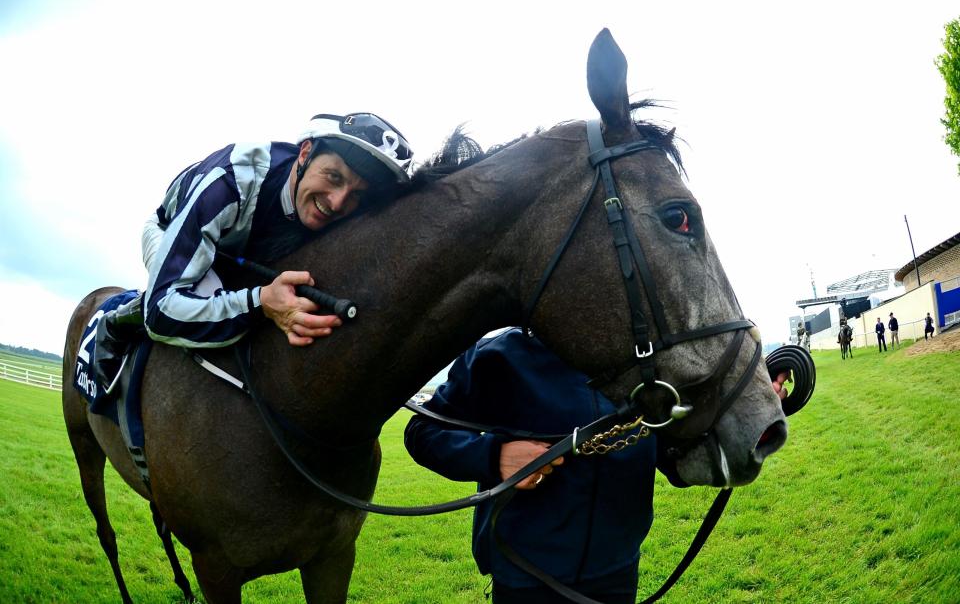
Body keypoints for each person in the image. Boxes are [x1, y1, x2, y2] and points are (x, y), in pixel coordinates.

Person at [404, 328, 790, 604]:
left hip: (617, 577)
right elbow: (421, 431)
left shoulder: (644, 367)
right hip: (526, 579)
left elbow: (672, 462)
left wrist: (748, 414)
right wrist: (495, 455)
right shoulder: (499, 356)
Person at [92, 112, 414, 391]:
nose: (337, 202)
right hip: (172, 234)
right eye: (333, 177)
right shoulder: (230, 182)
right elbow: (163, 312)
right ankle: (120, 321)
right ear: (304, 154)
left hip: (240, 249)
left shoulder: (339, 206)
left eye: (356, 194)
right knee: (206, 292)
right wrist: (261, 302)